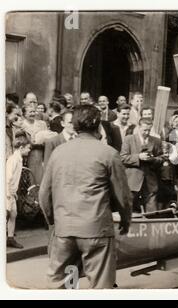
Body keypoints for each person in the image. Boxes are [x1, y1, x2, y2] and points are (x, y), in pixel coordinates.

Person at [39, 104, 132, 289]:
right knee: (101, 285)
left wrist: (53, 220)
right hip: (96, 230)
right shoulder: (108, 153)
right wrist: (125, 219)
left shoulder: (58, 152)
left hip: (64, 231)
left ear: (74, 125)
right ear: (98, 126)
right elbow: (123, 196)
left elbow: (44, 194)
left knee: (63, 285)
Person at [121, 118, 163, 213]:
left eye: (149, 130)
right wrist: (138, 157)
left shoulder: (156, 141)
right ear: (139, 127)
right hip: (132, 181)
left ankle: (152, 226)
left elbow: (161, 159)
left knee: (152, 211)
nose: (147, 132)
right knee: (130, 210)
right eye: (144, 130)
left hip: (150, 181)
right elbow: (123, 158)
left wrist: (153, 159)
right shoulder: (129, 139)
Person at [6, 134, 32, 249]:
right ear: (21, 148)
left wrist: (14, 192)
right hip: (6, 193)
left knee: (13, 214)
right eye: (28, 148)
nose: (29, 150)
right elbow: (7, 177)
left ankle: (10, 238)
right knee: (6, 215)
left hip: (11, 192)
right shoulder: (13, 159)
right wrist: (8, 193)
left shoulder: (19, 159)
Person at [22, 95, 48, 184]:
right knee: (27, 181)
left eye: (34, 112)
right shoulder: (21, 125)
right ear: (24, 114)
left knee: (40, 180)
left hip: (40, 156)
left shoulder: (42, 124)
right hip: (26, 157)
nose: (33, 114)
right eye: (30, 112)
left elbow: (47, 138)